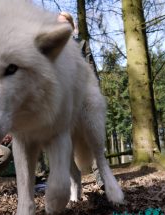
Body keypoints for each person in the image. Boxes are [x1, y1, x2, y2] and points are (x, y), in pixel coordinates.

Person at [57, 12, 103, 188]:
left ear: (71, 26)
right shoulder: (52, 47)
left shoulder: (82, 44)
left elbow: (92, 70)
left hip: (84, 96)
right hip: (63, 102)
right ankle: (72, 180)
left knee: (94, 135)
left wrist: (95, 94)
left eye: (64, 23)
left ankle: (101, 177)